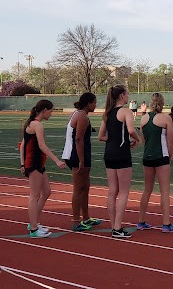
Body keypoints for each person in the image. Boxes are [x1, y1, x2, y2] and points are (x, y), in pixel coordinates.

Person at [19, 100, 66, 238]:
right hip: (33, 163)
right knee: (35, 195)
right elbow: (41, 146)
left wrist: (22, 164)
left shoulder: (31, 123)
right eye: (51, 111)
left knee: (46, 192)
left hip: (37, 164)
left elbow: (22, 145)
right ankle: (33, 228)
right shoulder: (37, 125)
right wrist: (57, 160)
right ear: (45, 110)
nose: (51, 114)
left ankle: (33, 222)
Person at [98, 84, 140, 238]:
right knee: (123, 192)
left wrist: (115, 140)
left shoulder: (108, 113)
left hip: (109, 153)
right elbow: (131, 130)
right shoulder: (125, 111)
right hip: (122, 154)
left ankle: (113, 225)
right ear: (122, 95)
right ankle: (117, 227)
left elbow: (101, 136)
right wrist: (137, 139)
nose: (128, 97)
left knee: (112, 191)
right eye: (127, 94)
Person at [62, 92, 102, 232]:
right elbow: (78, 139)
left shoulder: (77, 114)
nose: (96, 106)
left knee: (85, 187)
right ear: (89, 103)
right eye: (94, 103)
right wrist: (81, 160)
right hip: (76, 155)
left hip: (79, 154)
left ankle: (85, 218)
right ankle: (76, 221)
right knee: (78, 188)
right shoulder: (82, 116)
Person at [138, 92, 173, 233]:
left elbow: (143, 141)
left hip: (147, 157)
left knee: (147, 190)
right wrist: (169, 158)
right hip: (161, 157)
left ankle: (141, 221)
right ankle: (166, 224)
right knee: (164, 191)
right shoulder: (165, 118)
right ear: (162, 103)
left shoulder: (143, 119)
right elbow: (170, 141)